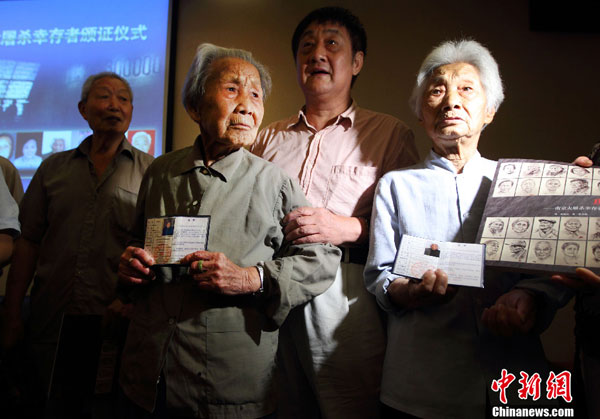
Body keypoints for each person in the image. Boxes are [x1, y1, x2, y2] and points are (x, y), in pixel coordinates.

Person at [117, 43, 340, 418]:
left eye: (256, 94)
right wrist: (131, 263)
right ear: (195, 106)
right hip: (149, 370)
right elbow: (138, 240)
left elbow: (322, 259)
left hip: (228, 382)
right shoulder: (160, 172)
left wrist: (252, 277)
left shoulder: (274, 182)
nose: (248, 105)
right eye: (232, 89)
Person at [364, 39, 570, 418]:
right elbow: (380, 275)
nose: (451, 101)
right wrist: (408, 292)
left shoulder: (521, 182)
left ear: (489, 110)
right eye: (437, 90)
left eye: (466, 89)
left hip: (513, 379)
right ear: (421, 113)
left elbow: (550, 270)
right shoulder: (396, 185)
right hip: (420, 386)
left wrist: (529, 296)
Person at [251, 7, 419, 418]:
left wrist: (346, 226)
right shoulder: (265, 136)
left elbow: (411, 231)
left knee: (347, 407)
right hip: (268, 290)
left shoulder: (389, 133)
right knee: (274, 404)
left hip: (345, 296)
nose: (317, 54)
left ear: (356, 61)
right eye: (306, 46)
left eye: (331, 44)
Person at [1, 71, 154, 411]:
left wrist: (130, 298)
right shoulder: (52, 168)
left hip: (115, 321)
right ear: (83, 109)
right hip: (50, 318)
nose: (114, 105)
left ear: (131, 111)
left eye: (123, 98)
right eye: (104, 96)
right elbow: (27, 243)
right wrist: (12, 314)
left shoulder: (152, 172)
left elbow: (155, 250)